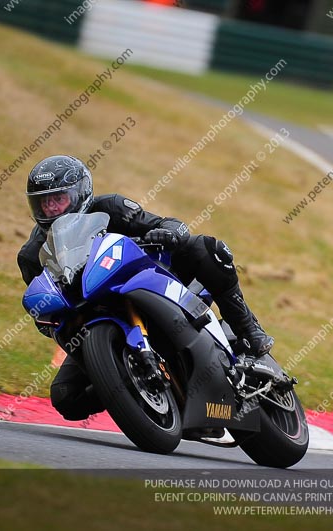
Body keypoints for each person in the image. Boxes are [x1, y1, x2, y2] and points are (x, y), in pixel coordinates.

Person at [17, 155, 273, 421]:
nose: (52, 209)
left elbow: (169, 225)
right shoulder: (31, 255)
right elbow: (44, 312)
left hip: (149, 281)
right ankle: (126, 387)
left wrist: (168, 233)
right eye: (44, 203)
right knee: (65, 397)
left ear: (80, 192)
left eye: (59, 199)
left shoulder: (112, 208)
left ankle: (247, 329)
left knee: (206, 248)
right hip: (93, 319)